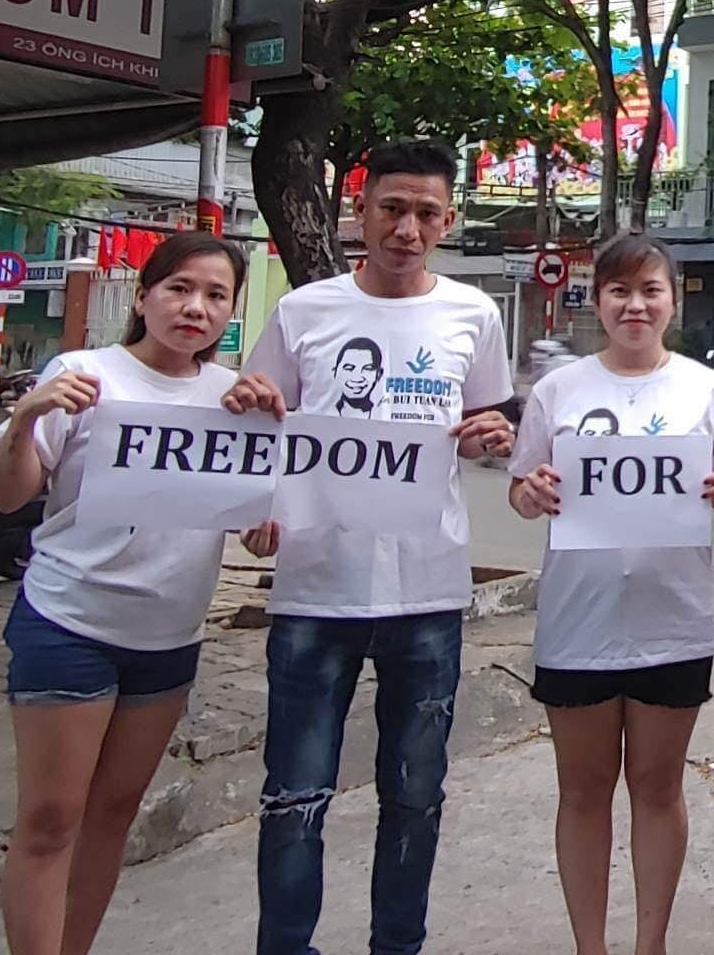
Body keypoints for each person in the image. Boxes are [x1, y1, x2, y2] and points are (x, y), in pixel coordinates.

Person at [224, 138, 515, 955]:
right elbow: (262, 427)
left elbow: (485, 427)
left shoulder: (474, 315)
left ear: (447, 221)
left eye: (426, 213)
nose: (407, 229)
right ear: (361, 210)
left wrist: (490, 438)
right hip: (316, 593)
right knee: (295, 797)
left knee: (416, 797)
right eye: (392, 209)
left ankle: (398, 945)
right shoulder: (304, 312)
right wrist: (258, 506)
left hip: (428, 595)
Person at [0, 230, 248, 955]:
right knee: (50, 820)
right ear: (143, 296)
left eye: (216, 295)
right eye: (179, 288)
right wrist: (26, 418)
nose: (195, 308)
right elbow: (8, 498)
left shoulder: (234, 398)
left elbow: (255, 516)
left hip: (168, 639)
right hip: (69, 624)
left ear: (230, 312)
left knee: (111, 818)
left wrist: (267, 522)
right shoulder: (82, 375)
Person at [508, 233, 714, 955]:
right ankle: (590, 946)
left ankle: (652, 944)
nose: (636, 305)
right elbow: (523, 493)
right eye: (619, 290)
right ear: (598, 300)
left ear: (674, 301)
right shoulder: (558, 392)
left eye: (651, 290)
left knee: (657, 787)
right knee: (583, 792)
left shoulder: (707, 391)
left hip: (673, 623)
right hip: (576, 626)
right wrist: (532, 492)